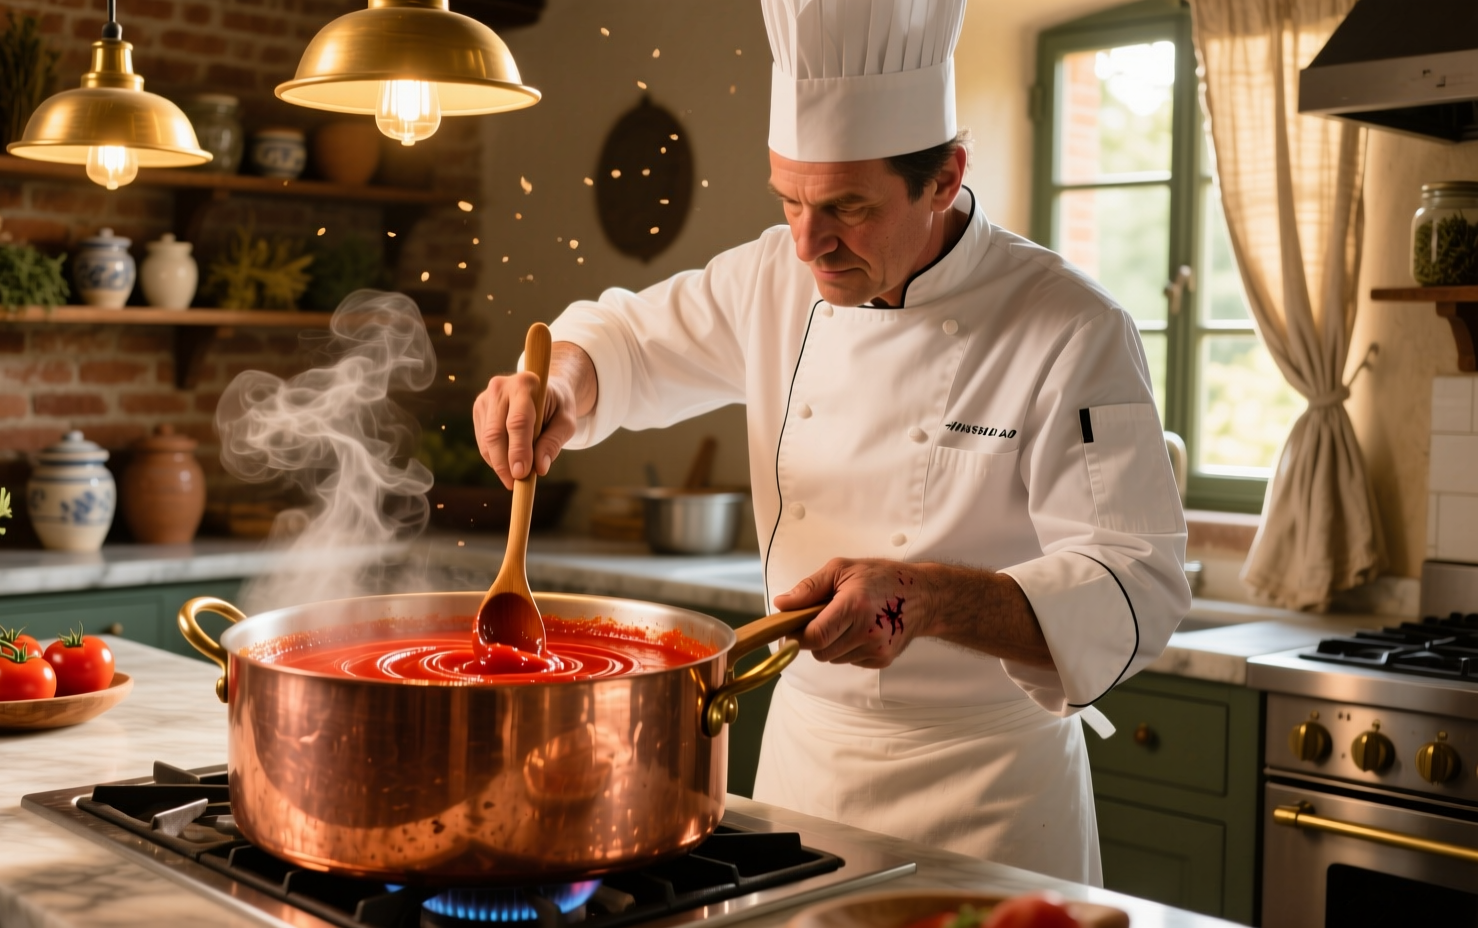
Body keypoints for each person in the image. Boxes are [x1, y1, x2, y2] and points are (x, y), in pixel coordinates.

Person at [471, 0, 1188, 884]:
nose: (810, 244)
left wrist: (926, 599)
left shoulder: (1072, 327)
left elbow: (1137, 580)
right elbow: (624, 343)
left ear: (945, 177)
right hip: (807, 772)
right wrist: (558, 387)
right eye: (790, 201)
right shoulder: (774, 277)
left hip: (993, 796)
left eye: (848, 207)